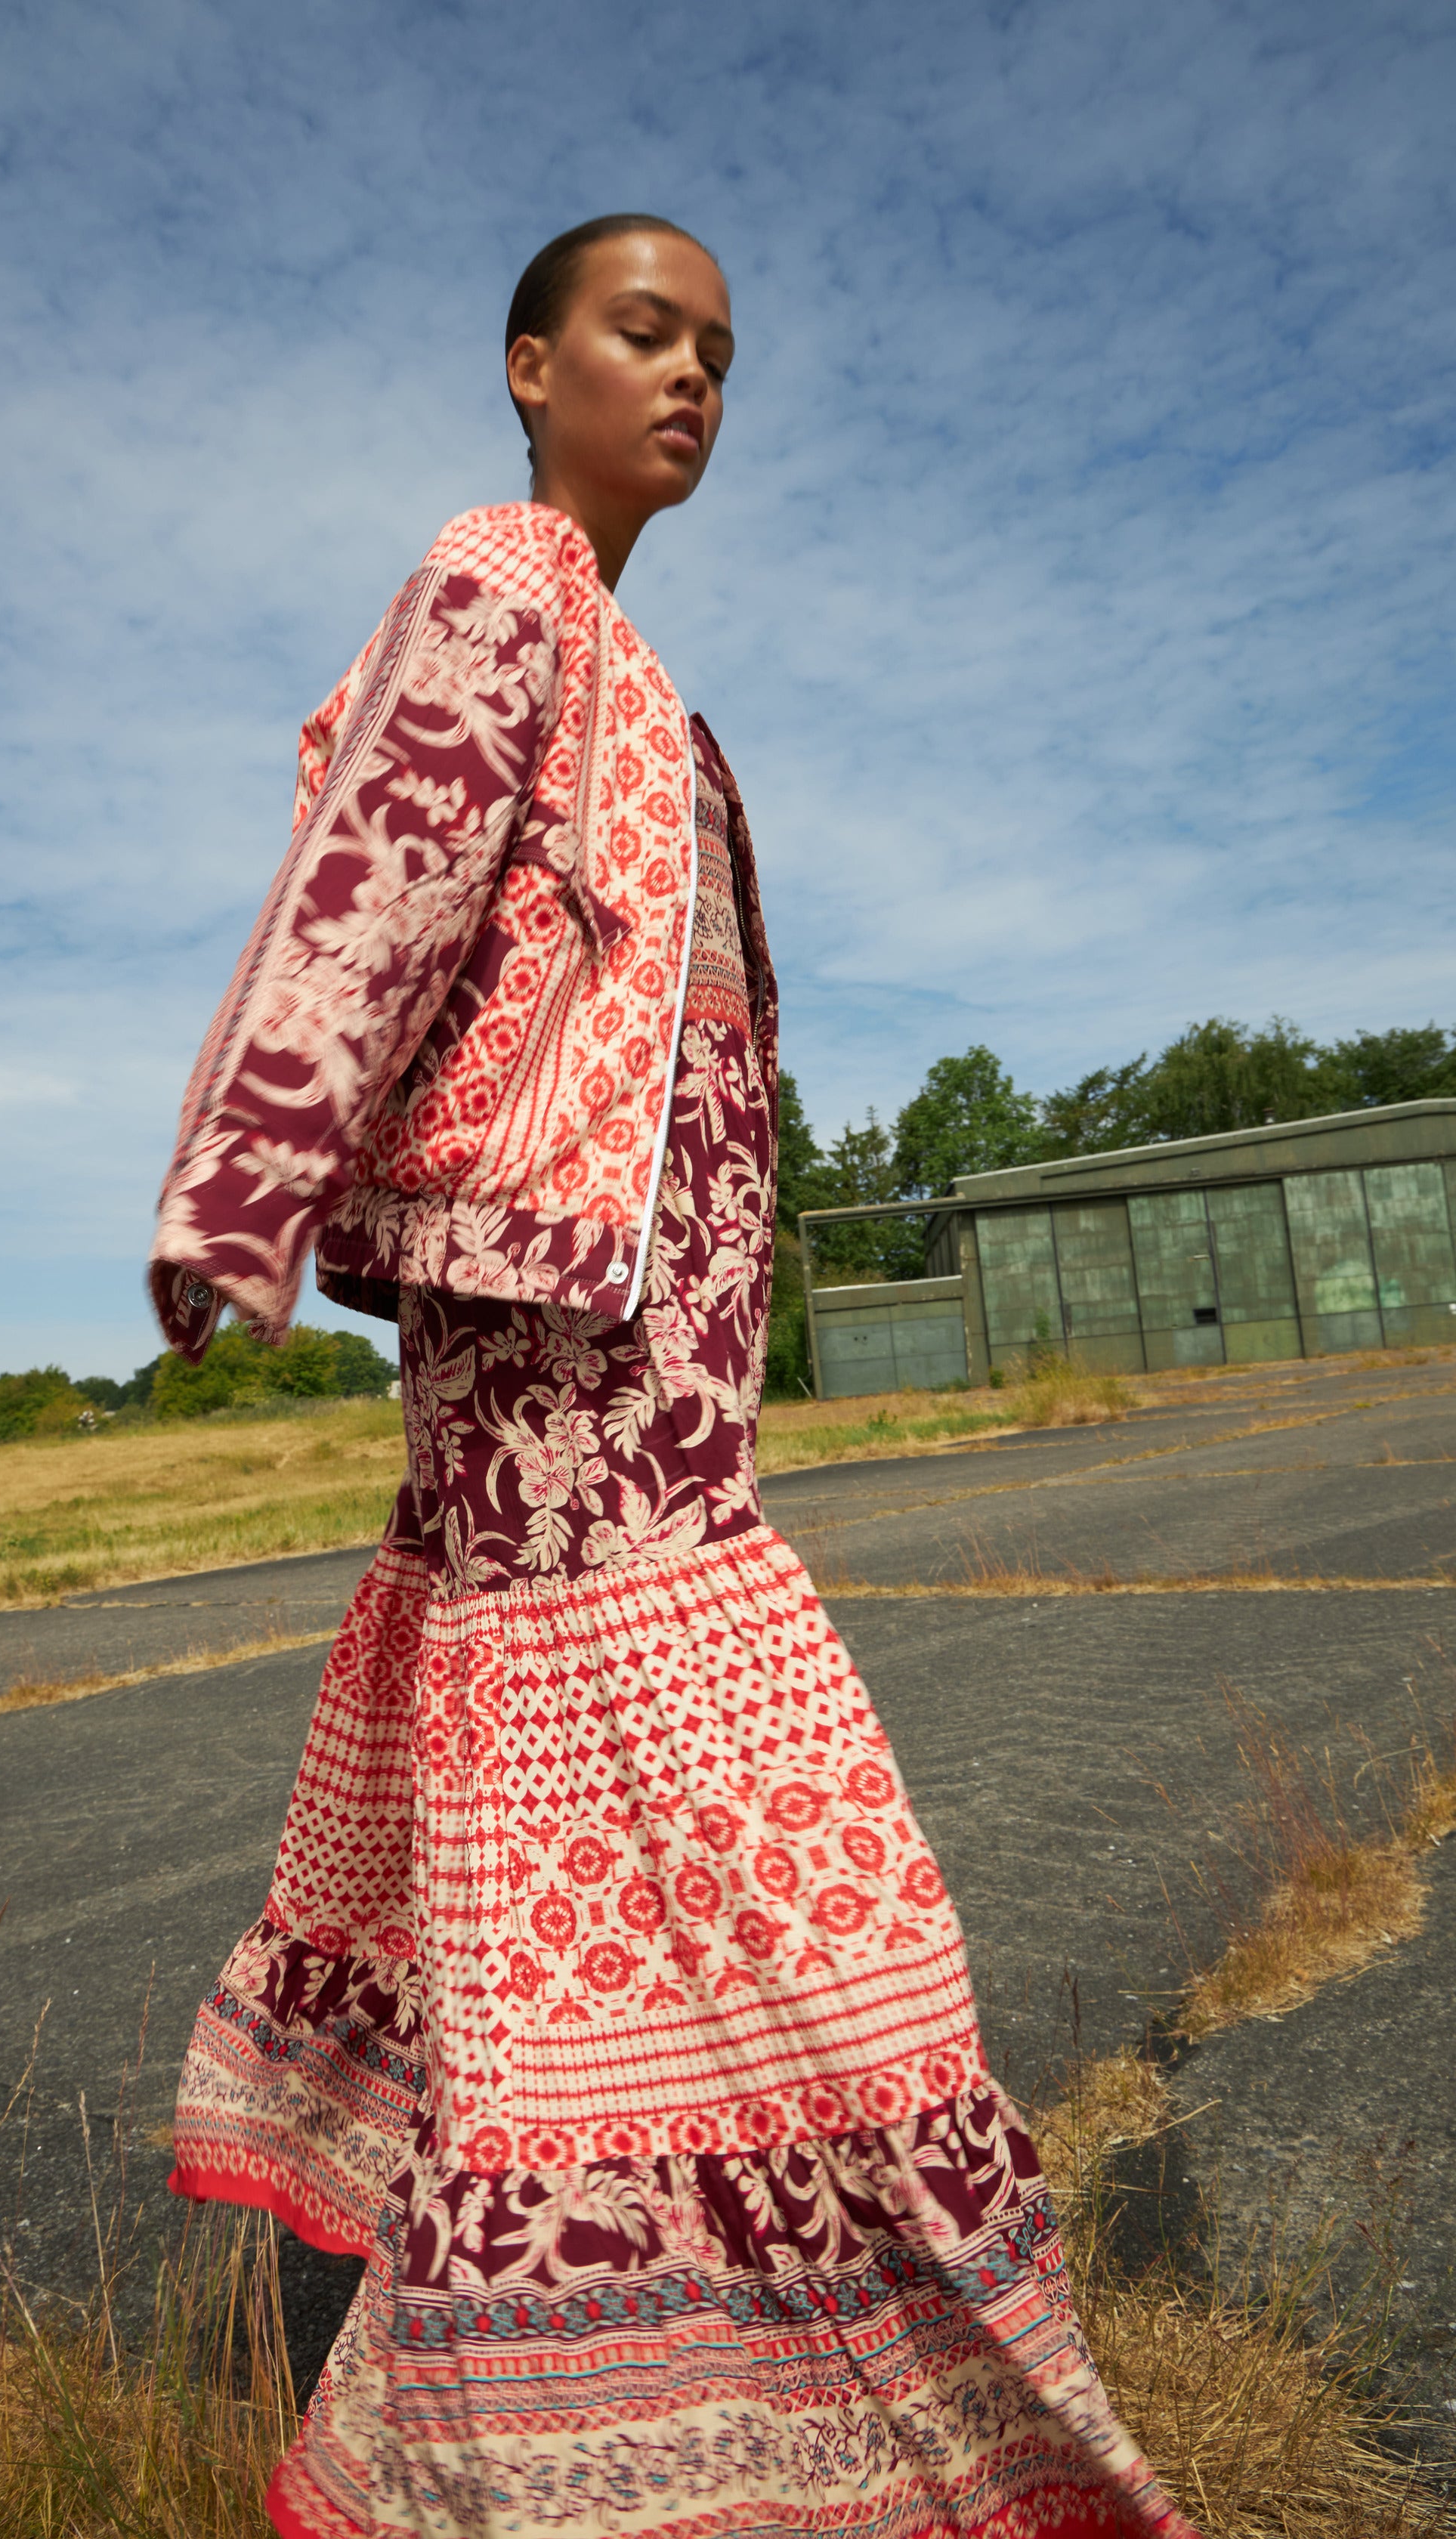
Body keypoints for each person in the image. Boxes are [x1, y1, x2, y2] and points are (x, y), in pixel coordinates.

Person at [150, 214, 1198, 2539]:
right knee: (825, 1936)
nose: (693, 377)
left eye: (721, 350)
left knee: (561, 1945)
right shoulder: (501, 584)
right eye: (645, 333)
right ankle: (833, 2414)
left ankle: (589, 2423)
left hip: (652, 1401)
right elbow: (374, 868)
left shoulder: (655, 695)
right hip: (557, 1412)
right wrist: (239, 1187)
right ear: (533, 366)